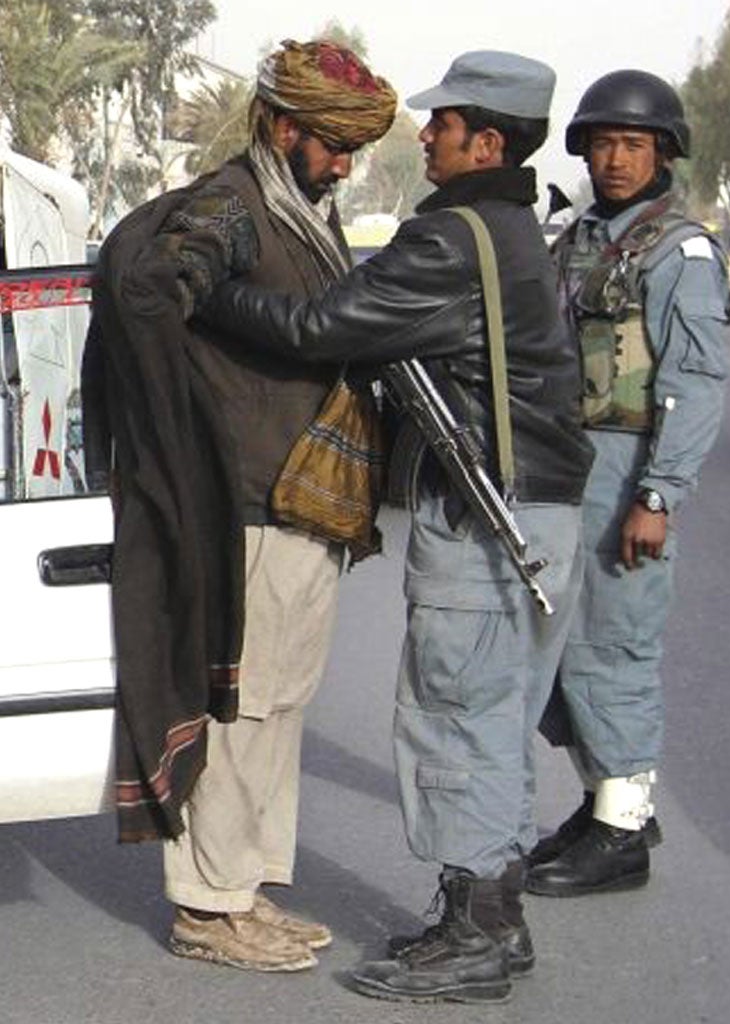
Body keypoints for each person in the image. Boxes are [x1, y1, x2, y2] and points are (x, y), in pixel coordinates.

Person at [203, 50, 594, 1002]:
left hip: (489, 524)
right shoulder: (505, 227)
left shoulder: (451, 237)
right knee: (489, 726)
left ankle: (477, 937)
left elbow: (318, 329)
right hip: (537, 513)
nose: (427, 135)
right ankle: (489, 922)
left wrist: (205, 291)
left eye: (444, 123)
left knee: (456, 725)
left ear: (487, 140)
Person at [82, 39, 396, 972]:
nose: (344, 164)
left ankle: (242, 891)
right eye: (334, 145)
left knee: (278, 707)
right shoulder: (235, 205)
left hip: (302, 507)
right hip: (252, 504)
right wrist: (181, 439)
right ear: (285, 127)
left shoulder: (297, 210)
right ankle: (207, 908)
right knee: (243, 707)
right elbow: (152, 292)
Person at [526, 70, 728, 897]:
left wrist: (659, 495)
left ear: (664, 152)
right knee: (563, 648)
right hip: (569, 462)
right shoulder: (577, 237)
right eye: (603, 142)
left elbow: (696, 380)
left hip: (627, 468)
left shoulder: (680, 252)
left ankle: (623, 832)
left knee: (616, 648)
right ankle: (605, 799)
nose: (615, 158)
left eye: (633, 144)